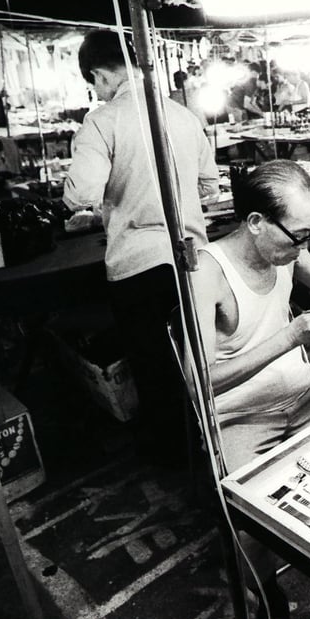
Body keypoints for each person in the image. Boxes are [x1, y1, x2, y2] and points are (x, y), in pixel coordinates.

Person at [191, 159, 310, 619]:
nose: (306, 245)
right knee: (252, 517)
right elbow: (198, 382)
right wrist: (290, 337)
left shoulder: (288, 246)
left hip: (305, 392)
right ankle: (267, 599)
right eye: (300, 236)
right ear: (255, 223)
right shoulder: (208, 272)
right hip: (240, 415)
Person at [63, 29, 220, 468]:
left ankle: (174, 459)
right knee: (197, 358)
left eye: (93, 83)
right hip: (191, 261)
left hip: (138, 267)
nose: (96, 91)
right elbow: (209, 185)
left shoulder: (102, 120)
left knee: (155, 368)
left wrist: (110, 199)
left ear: (98, 74)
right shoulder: (184, 116)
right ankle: (209, 448)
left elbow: (80, 196)